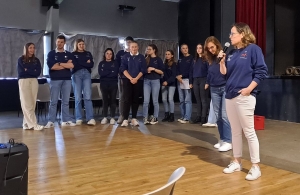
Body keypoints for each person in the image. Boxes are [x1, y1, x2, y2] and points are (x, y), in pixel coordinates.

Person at [220, 23, 268, 180]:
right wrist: (222, 62)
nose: (230, 36)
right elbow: (226, 75)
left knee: (249, 132)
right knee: (235, 131)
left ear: (242, 34)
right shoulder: (232, 53)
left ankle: (255, 166)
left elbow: (261, 71)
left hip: (245, 96)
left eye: (232, 33)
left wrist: (249, 89)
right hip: (230, 95)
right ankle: (237, 161)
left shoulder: (253, 49)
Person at [204, 36, 232, 152]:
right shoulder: (210, 59)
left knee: (225, 115)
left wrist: (222, 61)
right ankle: (222, 139)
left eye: (212, 47)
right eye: (208, 48)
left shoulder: (225, 55)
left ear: (217, 45)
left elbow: (226, 72)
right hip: (214, 89)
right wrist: (208, 82)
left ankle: (228, 141)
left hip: (224, 87)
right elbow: (210, 73)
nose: (211, 50)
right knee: (218, 116)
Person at [44, 35, 76, 128]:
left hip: (67, 80)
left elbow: (72, 66)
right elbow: (52, 67)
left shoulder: (69, 54)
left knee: (65, 102)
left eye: (61, 42)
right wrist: (66, 64)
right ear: (56, 42)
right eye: (58, 42)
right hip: (55, 80)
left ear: (64, 43)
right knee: (53, 101)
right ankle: (51, 121)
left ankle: (65, 120)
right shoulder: (51, 54)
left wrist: (59, 63)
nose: (60, 43)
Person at [119, 41, 147, 127]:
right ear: (129, 48)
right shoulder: (125, 56)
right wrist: (131, 78)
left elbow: (143, 70)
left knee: (135, 99)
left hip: (138, 80)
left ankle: (134, 118)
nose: (134, 48)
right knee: (127, 99)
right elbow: (123, 68)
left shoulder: (141, 57)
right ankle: (125, 119)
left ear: (138, 47)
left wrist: (136, 78)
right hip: (127, 80)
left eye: (135, 47)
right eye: (132, 47)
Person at [17, 43, 44, 130]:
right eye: (30, 48)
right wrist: (32, 70)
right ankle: (34, 124)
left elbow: (38, 72)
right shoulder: (21, 59)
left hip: (34, 81)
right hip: (23, 81)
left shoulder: (36, 60)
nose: (32, 50)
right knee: (26, 103)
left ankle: (26, 123)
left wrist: (27, 69)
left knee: (32, 103)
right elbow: (21, 72)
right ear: (26, 49)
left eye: (33, 48)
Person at [72, 39, 96, 126]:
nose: (81, 46)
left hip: (87, 74)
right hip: (76, 74)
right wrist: (85, 63)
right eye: (80, 44)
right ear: (77, 45)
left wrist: (81, 63)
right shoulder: (73, 54)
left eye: (83, 44)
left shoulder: (88, 53)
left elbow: (91, 64)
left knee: (87, 96)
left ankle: (90, 118)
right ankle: (79, 118)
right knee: (78, 97)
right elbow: (74, 65)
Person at [143, 44, 164, 125]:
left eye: (150, 49)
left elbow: (162, 72)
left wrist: (154, 69)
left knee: (155, 101)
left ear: (154, 50)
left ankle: (155, 117)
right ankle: (145, 117)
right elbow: (142, 70)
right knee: (146, 101)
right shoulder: (145, 59)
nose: (148, 50)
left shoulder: (158, 60)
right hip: (146, 81)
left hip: (155, 80)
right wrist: (146, 71)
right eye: (147, 49)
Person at [189, 43, 209, 124]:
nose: (198, 49)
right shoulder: (194, 60)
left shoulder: (206, 59)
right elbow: (191, 71)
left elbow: (209, 72)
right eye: (197, 48)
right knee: (198, 100)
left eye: (200, 48)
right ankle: (198, 116)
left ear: (203, 49)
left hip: (203, 80)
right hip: (195, 80)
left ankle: (204, 117)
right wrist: (191, 82)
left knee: (204, 100)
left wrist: (207, 82)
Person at [115, 36, 134, 124]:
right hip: (122, 77)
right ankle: (121, 115)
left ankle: (127, 115)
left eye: (130, 42)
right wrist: (121, 74)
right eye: (127, 42)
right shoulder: (120, 53)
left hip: (132, 79)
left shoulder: (134, 54)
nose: (128, 43)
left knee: (129, 97)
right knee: (122, 96)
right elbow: (117, 65)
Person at [98, 48, 119, 125]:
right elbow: (101, 73)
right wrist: (110, 72)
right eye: (107, 53)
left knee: (113, 101)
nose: (109, 55)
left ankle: (112, 117)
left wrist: (106, 72)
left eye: (110, 54)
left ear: (112, 55)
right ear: (105, 54)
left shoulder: (115, 63)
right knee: (105, 101)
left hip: (113, 84)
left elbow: (115, 73)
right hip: (103, 84)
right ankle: (105, 117)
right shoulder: (101, 63)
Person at [176, 44, 193, 124]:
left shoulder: (191, 58)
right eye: (183, 48)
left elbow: (191, 70)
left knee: (187, 100)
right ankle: (183, 116)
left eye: (186, 48)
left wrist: (183, 76)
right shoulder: (180, 60)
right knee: (181, 100)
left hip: (187, 80)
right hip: (180, 81)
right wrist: (178, 77)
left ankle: (187, 117)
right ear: (181, 50)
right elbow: (177, 69)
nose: (185, 50)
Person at [161, 50, 177, 122]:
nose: (167, 55)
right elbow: (162, 74)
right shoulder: (164, 64)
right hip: (164, 84)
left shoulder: (174, 64)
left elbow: (173, 76)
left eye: (169, 54)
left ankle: (172, 115)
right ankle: (166, 114)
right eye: (166, 54)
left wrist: (167, 82)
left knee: (170, 99)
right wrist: (163, 81)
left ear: (172, 55)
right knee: (164, 99)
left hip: (171, 84)